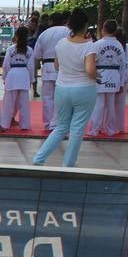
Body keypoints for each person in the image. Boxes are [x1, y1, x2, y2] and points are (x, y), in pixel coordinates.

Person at [31, 9, 98, 167]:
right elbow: (90, 70)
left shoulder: (61, 44)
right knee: (77, 128)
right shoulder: (89, 46)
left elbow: (56, 65)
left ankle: (39, 158)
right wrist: (97, 75)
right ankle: (68, 164)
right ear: (86, 26)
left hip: (62, 88)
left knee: (61, 127)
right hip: (84, 89)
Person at [88, 20, 128, 137]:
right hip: (114, 75)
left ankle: (94, 129)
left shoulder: (97, 44)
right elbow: (123, 65)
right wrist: (121, 83)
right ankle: (111, 130)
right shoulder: (119, 45)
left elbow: (91, 61)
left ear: (103, 29)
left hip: (100, 74)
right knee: (111, 104)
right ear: (115, 31)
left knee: (99, 104)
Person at [33, 11, 69, 130]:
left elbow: (37, 55)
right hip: (64, 66)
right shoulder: (68, 32)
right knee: (62, 97)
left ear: (51, 21)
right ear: (64, 20)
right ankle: (58, 123)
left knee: (48, 97)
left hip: (48, 66)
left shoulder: (44, 34)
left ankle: (48, 123)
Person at [0, 26, 34, 131]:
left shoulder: (10, 49)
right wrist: (31, 79)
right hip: (24, 75)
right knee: (24, 103)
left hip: (12, 74)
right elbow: (31, 66)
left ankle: (5, 124)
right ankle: (25, 125)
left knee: (9, 102)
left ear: (16, 36)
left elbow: (6, 65)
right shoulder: (29, 50)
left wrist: (5, 77)